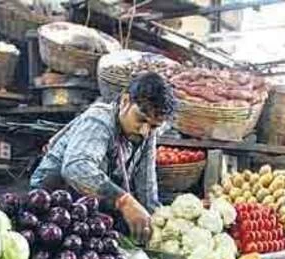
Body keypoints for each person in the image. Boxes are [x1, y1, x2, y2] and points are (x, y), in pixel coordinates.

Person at [30, 72, 176, 243]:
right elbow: (76, 168)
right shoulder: (99, 120)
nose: (145, 131)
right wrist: (124, 201)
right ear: (125, 101)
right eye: (141, 120)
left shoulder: (147, 133)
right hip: (52, 204)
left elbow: (146, 186)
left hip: (88, 207)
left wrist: (158, 224)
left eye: (153, 126)